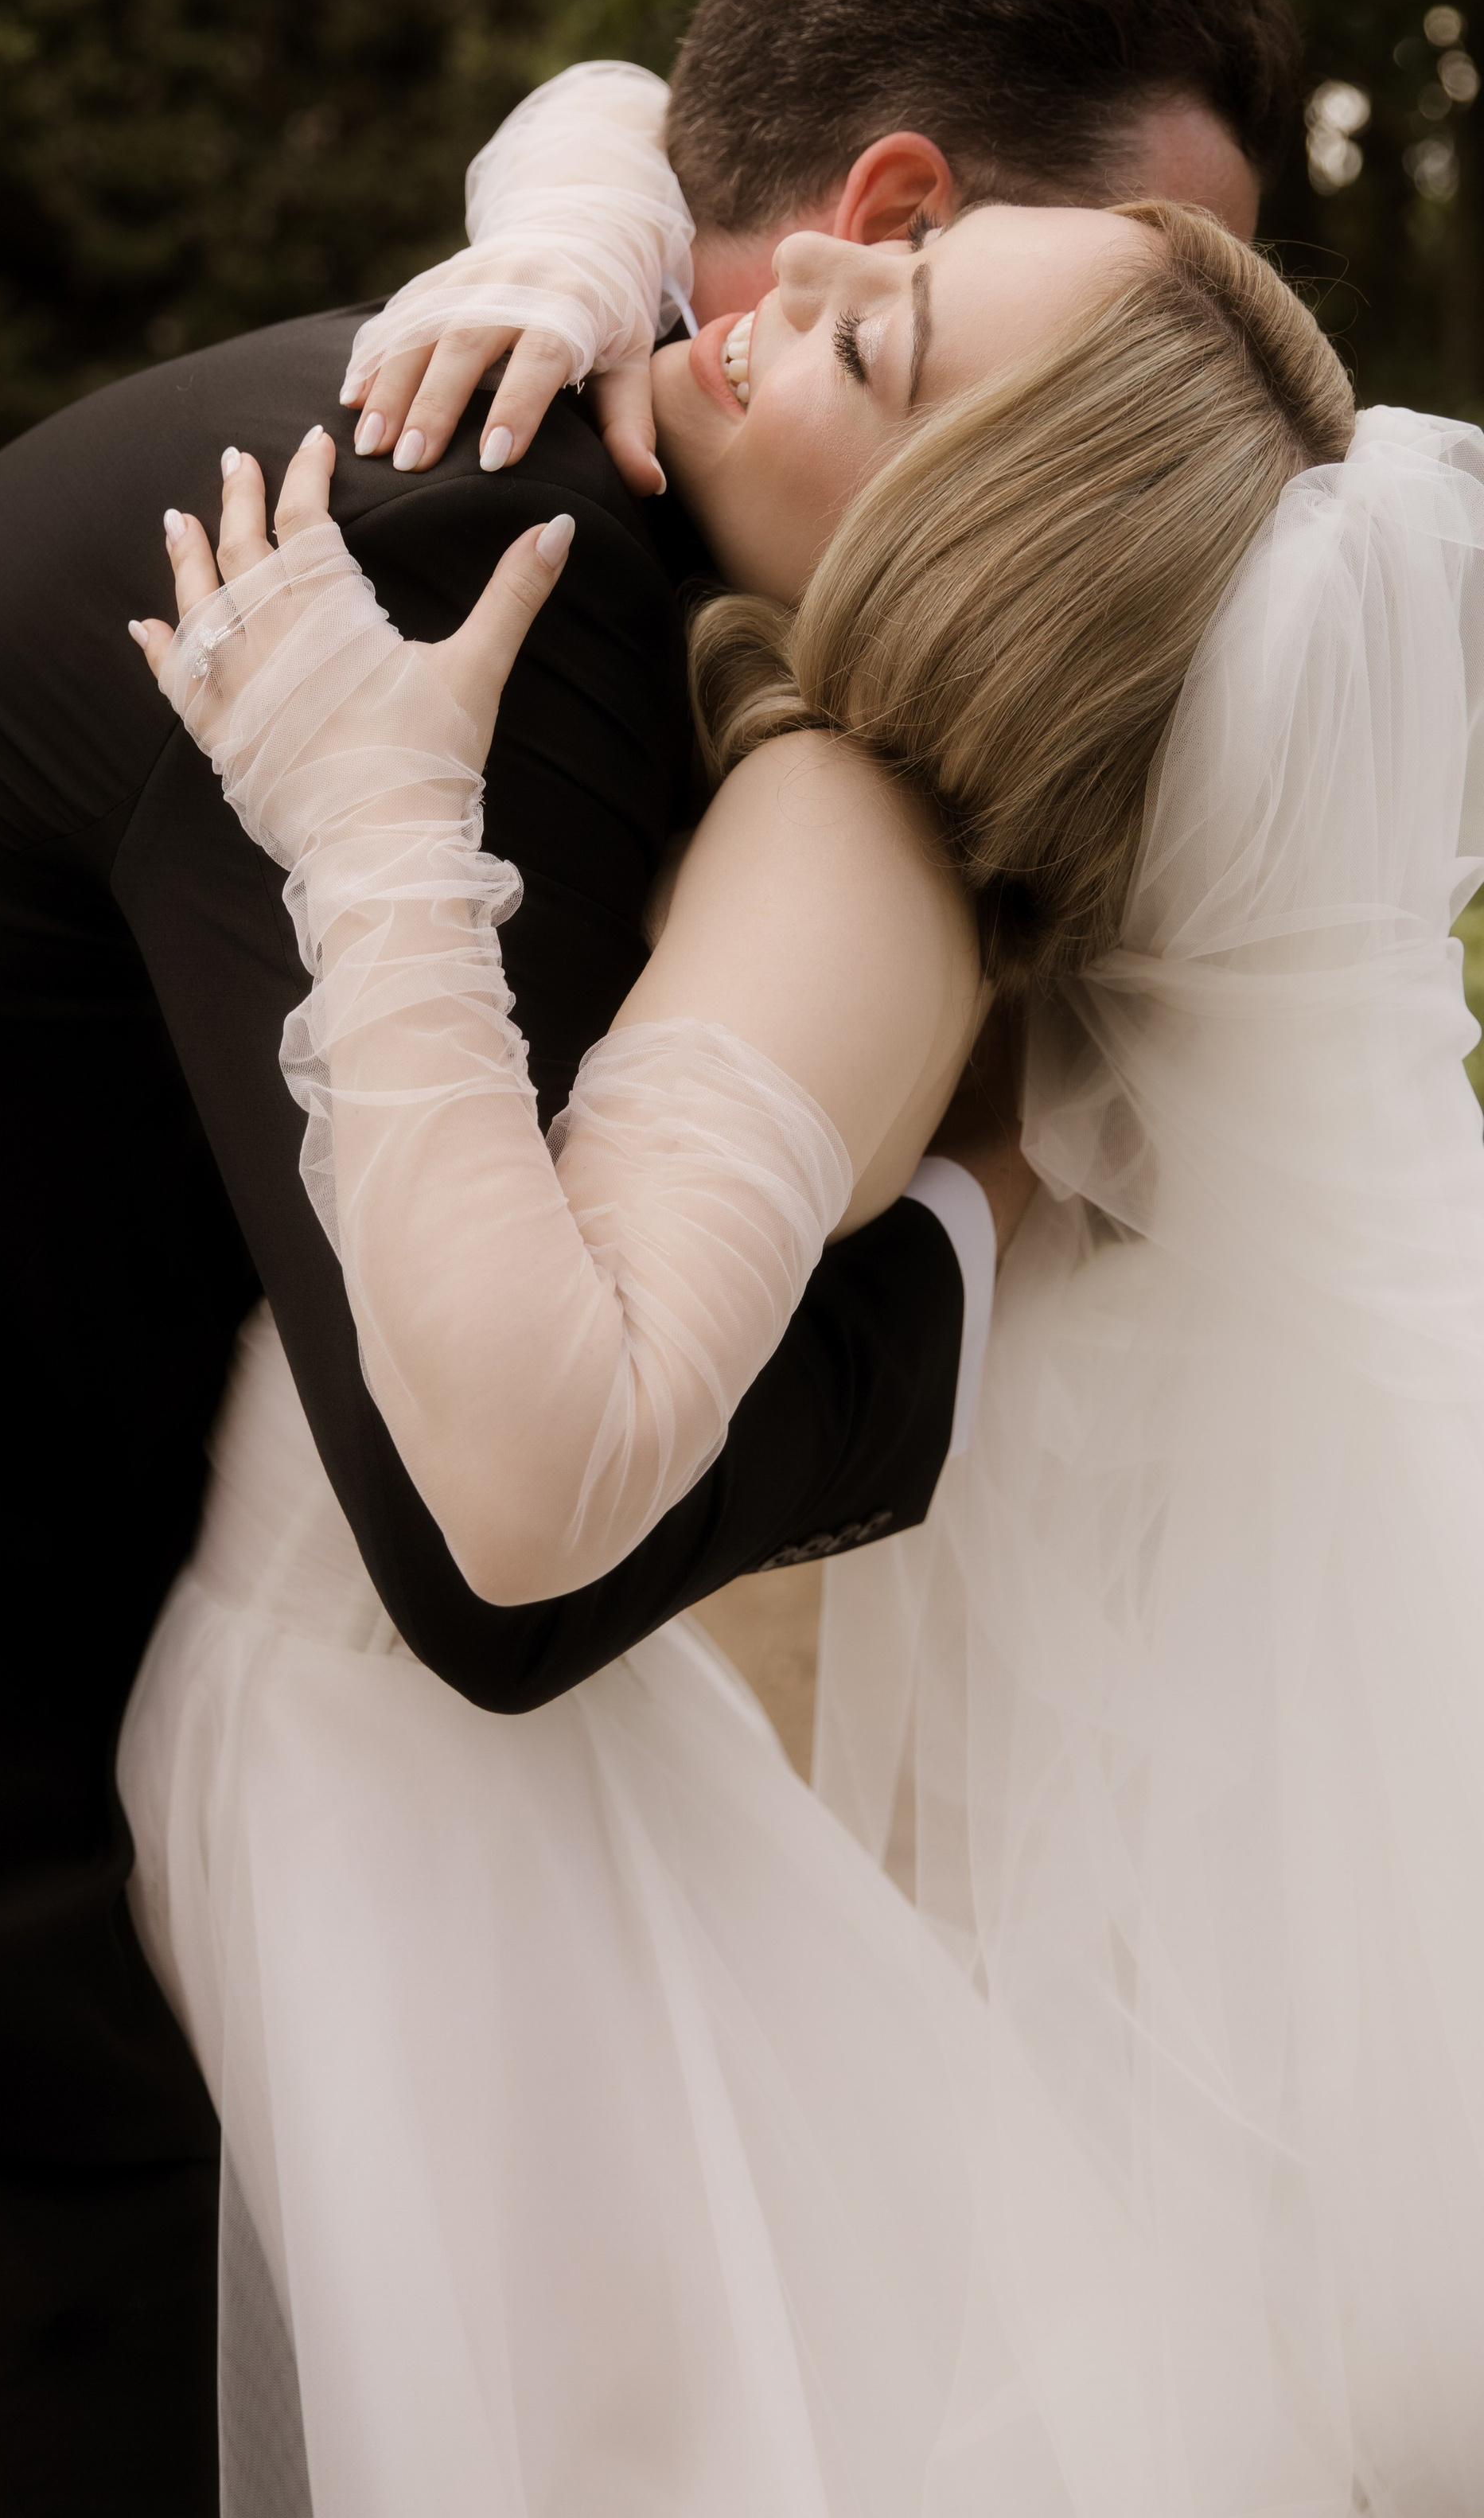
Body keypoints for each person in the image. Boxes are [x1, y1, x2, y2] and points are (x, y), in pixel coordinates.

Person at [0, 0, 1296, 2515]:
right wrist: (956, 1265)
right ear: (899, 214)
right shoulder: (488, 565)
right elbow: (488, 1562)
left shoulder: (628, 516)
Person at [130, 193, 1466, 2511]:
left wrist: (373, 828)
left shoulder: (844, 844)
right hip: (414, 1809)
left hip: (420, 1883)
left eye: (889, 349)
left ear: (976, 560)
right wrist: (576, 214)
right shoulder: (862, 813)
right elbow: (663, 131)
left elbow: (543, 1474)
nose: (801, 281)